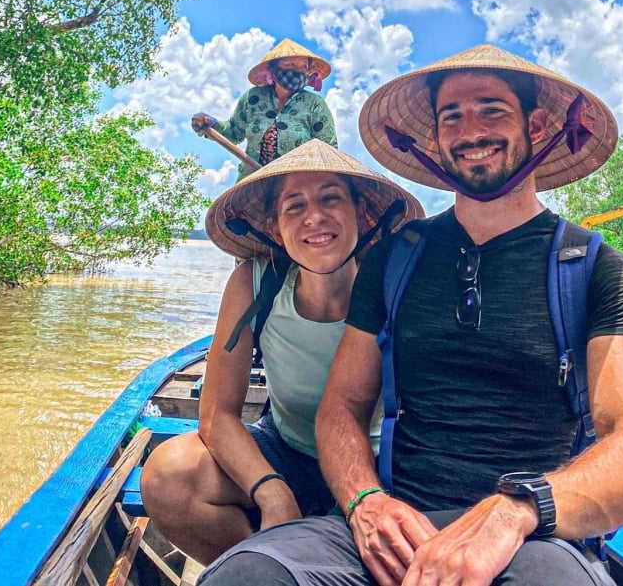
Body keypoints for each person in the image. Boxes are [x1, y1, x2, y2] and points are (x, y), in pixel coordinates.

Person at [199, 44, 623, 586]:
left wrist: (515, 509)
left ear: (538, 124)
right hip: (396, 521)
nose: (470, 129)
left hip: (531, 537)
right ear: (435, 139)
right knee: (246, 572)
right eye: (452, 116)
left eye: (492, 109)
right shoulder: (398, 257)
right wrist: (364, 500)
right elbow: (341, 409)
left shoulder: (596, 270)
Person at [142, 140, 424, 564]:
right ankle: (261, 563)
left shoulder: (397, 284)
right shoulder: (257, 282)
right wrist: (272, 492)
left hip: (382, 466)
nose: (314, 217)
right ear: (275, 229)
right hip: (288, 450)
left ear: (361, 215)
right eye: (294, 206)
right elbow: (217, 415)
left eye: (330, 198)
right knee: (170, 476)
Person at [193, 39, 337, 179]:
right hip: (253, 182)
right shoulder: (252, 98)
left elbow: (328, 149)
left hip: (298, 187)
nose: (297, 71)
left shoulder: (314, 104)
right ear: (274, 69)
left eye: (304, 67)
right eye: (290, 64)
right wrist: (210, 124)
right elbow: (233, 132)